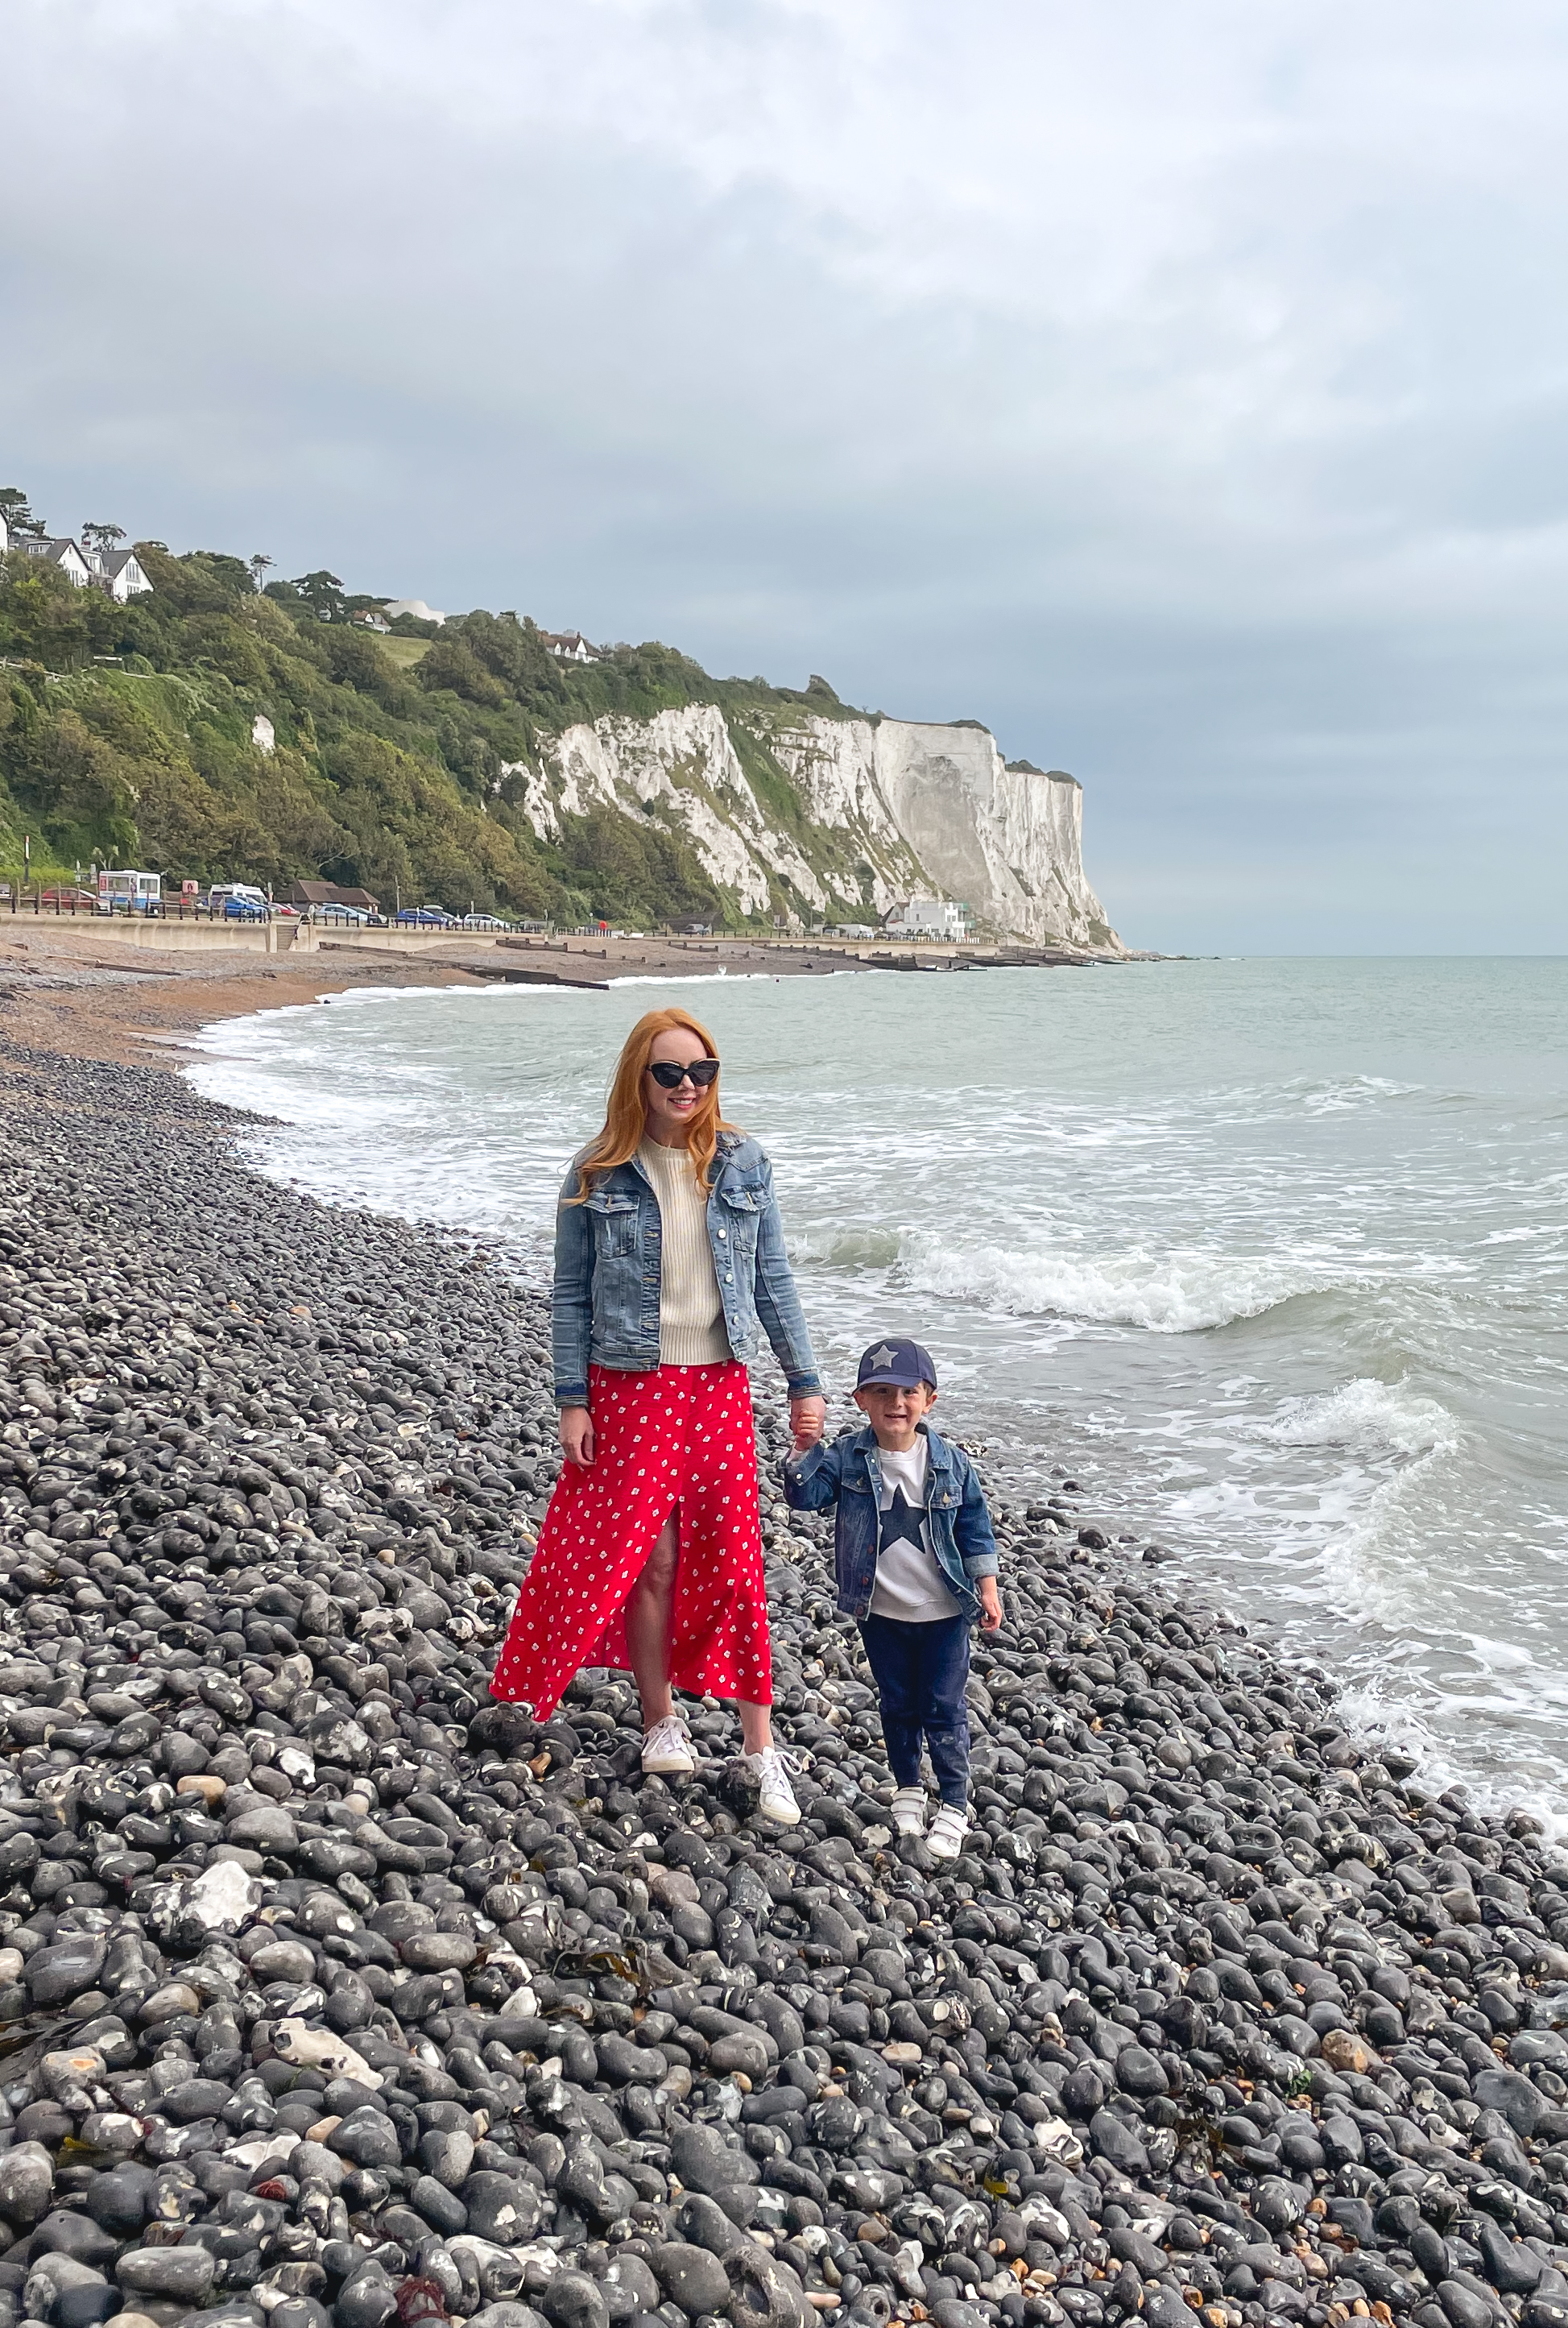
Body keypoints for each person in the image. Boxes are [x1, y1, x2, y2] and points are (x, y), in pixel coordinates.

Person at [491, 1005, 825, 1825]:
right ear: (638, 1077)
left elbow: (774, 1280)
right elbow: (569, 1293)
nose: (688, 1086)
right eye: (670, 1072)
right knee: (652, 1560)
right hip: (630, 1384)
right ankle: (659, 1719)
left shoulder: (744, 1162)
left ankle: (759, 1748)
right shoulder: (597, 1170)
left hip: (717, 1384)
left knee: (736, 1561)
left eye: (702, 1071)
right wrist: (573, 1400)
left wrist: (804, 1381)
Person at [781, 1336, 1000, 1860]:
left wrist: (987, 1586)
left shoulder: (949, 1463)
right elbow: (803, 1497)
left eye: (908, 1392)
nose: (895, 1404)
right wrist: (803, 1450)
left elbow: (974, 1527)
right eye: (880, 1392)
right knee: (898, 1704)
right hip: (878, 1610)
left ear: (930, 1400)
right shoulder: (847, 1458)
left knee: (943, 1706)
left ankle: (952, 1802)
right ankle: (908, 1787)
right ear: (860, 1400)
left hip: (945, 1611)